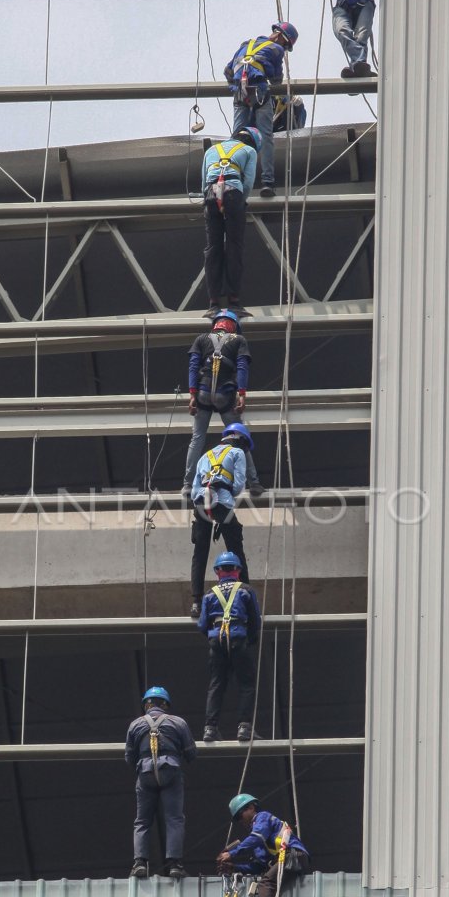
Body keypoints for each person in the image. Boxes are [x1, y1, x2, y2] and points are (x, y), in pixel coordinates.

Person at [182, 310, 262, 496]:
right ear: (233, 325)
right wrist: (242, 393)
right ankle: (254, 484)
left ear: (216, 324)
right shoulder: (239, 340)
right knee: (240, 439)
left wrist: (192, 394)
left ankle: (187, 485)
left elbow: (193, 366)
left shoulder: (201, 338)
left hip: (202, 393)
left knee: (197, 439)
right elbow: (242, 367)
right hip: (224, 395)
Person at [124, 686, 196, 880]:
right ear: (165, 704)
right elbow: (191, 752)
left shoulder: (135, 725)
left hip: (145, 773)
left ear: (146, 704)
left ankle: (140, 863)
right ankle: (175, 864)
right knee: (174, 818)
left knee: (142, 821)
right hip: (170, 771)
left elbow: (129, 757)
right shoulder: (178, 723)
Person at [218, 793, 310, 897]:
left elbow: (257, 837)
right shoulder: (259, 839)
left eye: (240, 815)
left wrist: (232, 854)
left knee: (266, 882)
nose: (240, 820)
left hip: (294, 856)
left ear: (252, 807)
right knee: (267, 879)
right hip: (286, 859)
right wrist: (234, 867)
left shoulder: (262, 818)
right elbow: (259, 865)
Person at [224, 21, 299, 197]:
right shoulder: (276, 50)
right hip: (259, 93)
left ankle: (232, 178)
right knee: (265, 137)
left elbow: (227, 71)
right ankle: (268, 182)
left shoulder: (246, 44)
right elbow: (276, 79)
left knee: (237, 137)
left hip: (240, 94)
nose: (285, 49)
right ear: (281, 37)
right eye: (286, 46)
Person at [189, 421, 254, 618]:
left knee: (200, 552)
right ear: (240, 440)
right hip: (222, 502)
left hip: (201, 503)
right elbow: (239, 484)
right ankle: (246, 596)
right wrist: (226, 492)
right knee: (235, 547)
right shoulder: (237, 453)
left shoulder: (203, 457)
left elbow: (193, 490)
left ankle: (196, 602)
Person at [197, 551, 261, 743]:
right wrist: (250, 640)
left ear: (218, 572)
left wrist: (213, 636)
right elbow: (255, 621)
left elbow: (202, 625)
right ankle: (244, 727)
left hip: (217, 639)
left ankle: (210, 728)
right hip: (237, 637)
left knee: (216, 685)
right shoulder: (246, 590)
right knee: (247, 684)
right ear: (238, 570)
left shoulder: (209, 594)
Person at [202, 127, 261, 312]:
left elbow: (204, 181)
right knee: (234, 246)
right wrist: (240, 202)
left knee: (213, 248)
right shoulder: (249, 151)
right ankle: (234, 300)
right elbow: (249, 180)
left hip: (211, 194)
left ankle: (213, 303)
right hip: (233, 193)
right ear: (252, 142)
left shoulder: (211, 150)